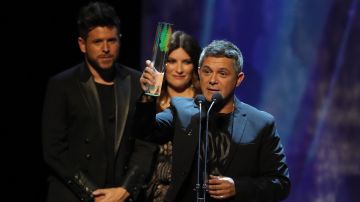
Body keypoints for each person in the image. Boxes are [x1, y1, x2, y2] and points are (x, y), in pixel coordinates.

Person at [137, 40, 290, 201]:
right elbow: (145, 131)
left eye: (222, 73)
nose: (212, 80)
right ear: (199, 72)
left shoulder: (260, 123)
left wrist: (238, 187)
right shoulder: (182, 110)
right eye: (207, 71)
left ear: (239, 79)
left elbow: (280, 183)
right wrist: (149, 94)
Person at [42, 2, 156, 202]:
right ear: (82, 44)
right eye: (98, 42)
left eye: (111, 40)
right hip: (73, 196)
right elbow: (54, 150)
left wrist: (125, 189)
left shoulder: (137, 83)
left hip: (120, 196)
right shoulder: (62, 85)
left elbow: (145, 142)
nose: (105, 49)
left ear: (119, 41)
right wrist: (92, 194)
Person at [144, 31, 201, 202]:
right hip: (149, 193)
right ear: (163, 64)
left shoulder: (203, 104)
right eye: (172, 61)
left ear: (195, 66)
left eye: (186, 62)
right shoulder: (149, 102)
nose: (179, 69)